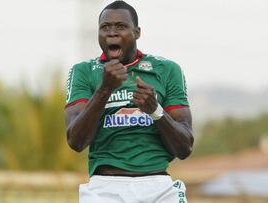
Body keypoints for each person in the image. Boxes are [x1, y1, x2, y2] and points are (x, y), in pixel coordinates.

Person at [65, 1, 193, 202]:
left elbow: (185, 147)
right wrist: (105, 89)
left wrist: (155, 110)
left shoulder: (167, 70)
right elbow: (76, 141)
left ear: (137, 32)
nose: (112, 33)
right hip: (105, 187)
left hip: (158, 186)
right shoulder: (83, 72)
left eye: (121, 27)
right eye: (105, 27)